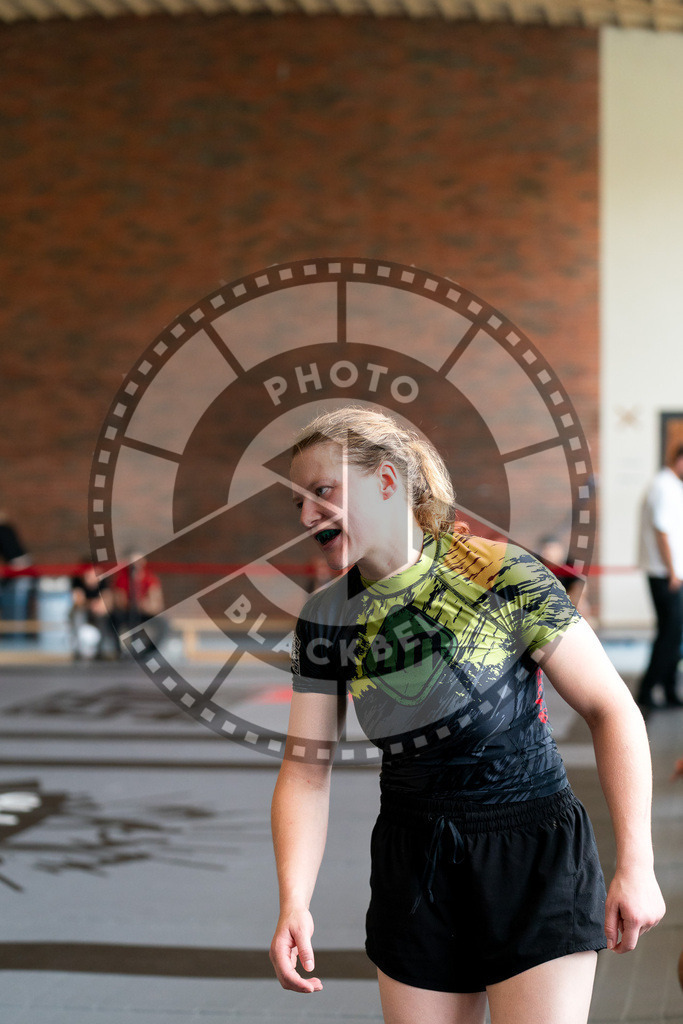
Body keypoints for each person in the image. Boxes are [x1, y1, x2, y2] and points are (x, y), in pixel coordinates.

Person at [270, 407, 665, 1024]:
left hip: (532, 853)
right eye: (296, 503)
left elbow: (609, 707)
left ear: (387, 480)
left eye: (322, 492)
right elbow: (305, 771)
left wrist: (636, 863)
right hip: (414, 864)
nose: (306, 516)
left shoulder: (502, 574)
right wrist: (294, 899)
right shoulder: (326, 618)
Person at [637, 445, 683, 708]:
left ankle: (668, 690)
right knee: (669, 634)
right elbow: (662, 532)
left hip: (670, 574)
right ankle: (647, 690)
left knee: (674, 634)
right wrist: (673, 572)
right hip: (666, 575)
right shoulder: (663, 486)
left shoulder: (672, 486)